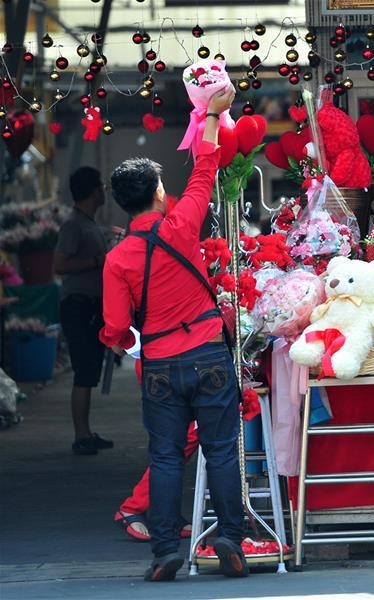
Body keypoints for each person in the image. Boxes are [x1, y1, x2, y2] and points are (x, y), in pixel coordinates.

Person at [100, 86, 248, 582]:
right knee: (221, 449)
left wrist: (124, 341)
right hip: (207, 351)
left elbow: (118, 327)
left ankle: (165, 550)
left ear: (123, 204)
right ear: (159, 194)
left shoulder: (117, 258)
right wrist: (210, 116)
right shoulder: (182, 223)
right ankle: (230, 537)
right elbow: (205, 167)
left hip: (160, 363)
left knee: (164, 457)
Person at [55, 167, 113, 455]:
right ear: (93, 191)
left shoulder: (89, 223)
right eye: (101, 186)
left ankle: (86, 431)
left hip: (90, 306)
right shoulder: (73, 226)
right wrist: (97, 262)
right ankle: (80, 435)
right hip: (77, 306)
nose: (105, 191)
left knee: (89, 371)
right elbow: (60, 265)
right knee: (83, 371)